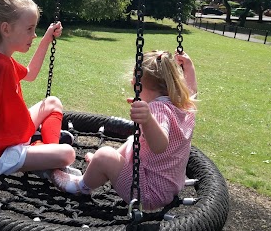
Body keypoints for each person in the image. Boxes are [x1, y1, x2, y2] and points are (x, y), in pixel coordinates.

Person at [50, 50, 197, 211]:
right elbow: (192, 90)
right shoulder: (184, 104)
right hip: (168, 187)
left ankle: (81, 186)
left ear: (139, 84)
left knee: (105, 155)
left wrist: (148, 119)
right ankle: (99, 167)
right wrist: (189, 67)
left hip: (146, 194)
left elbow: (160, 145)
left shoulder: (157, 109)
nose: (132, 82)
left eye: (135, 80)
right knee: (133, 140)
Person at [0, 0, 76, 182]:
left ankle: (48, 152)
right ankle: (51, 157)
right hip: (0, 154)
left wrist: (47, 39)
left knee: (52, 102)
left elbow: (31, 74)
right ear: (6, 29)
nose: (33, 35)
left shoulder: (3, 60)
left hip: (13, 135)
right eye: (29, 29)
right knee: (68, 153)